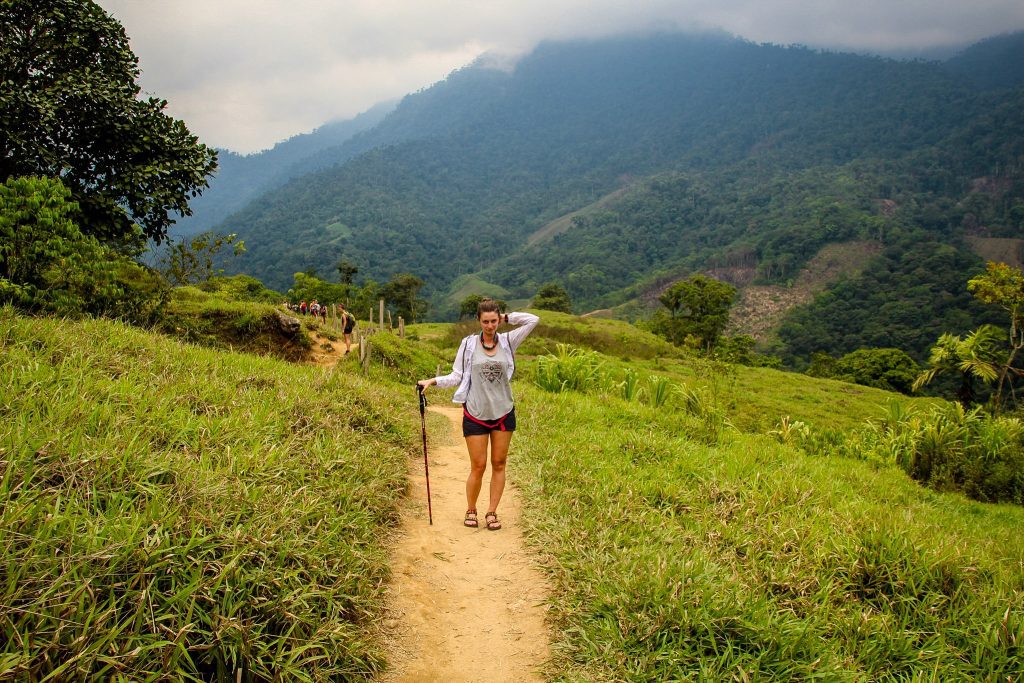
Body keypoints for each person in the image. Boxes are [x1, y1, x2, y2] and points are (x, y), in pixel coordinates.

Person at [417, 299, 539, 530]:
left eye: (494, 321)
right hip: (475, 412)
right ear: (478, 321)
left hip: (503, 411)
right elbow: (457, 375)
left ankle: (492, 512)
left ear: (499, 319)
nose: (490, 326)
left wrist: (507, 318)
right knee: (479, 465)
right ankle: (471, 509)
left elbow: (534, 320)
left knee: (499, 463)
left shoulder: (508, 341)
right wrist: (433, 381)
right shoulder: (468, 344)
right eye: (486, 321)